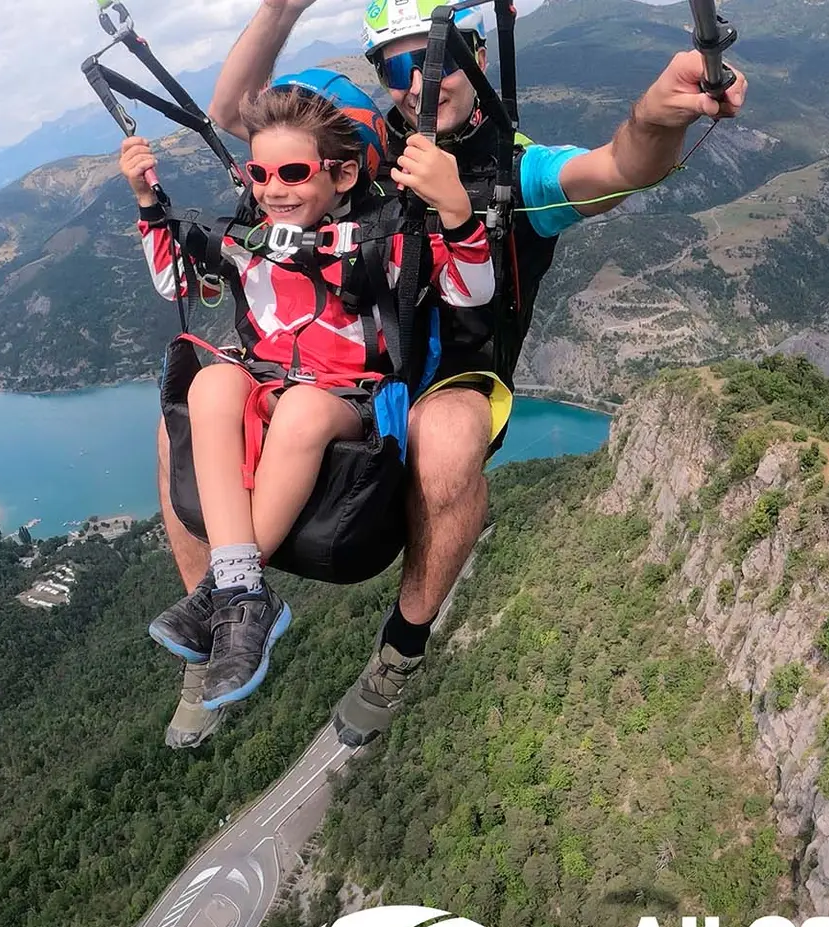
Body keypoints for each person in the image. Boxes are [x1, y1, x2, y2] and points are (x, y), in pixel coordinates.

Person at [154, 0, 750, 749]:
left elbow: (619, 167)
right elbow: (239, 114)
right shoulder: (365, 150)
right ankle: (216, 625)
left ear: (475, 54)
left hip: (457, 372)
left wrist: (662, 117)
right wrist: (282, 8)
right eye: (397, 65)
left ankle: (400, 650)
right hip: (351, 362)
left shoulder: (516, 171)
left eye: (436, 57)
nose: (420, 82)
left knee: (442, 448)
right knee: (183, 418)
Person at [127, 78, 494, 716]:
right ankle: (242, 596)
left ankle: (230, 586)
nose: (275, 188)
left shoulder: (387, 241)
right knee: (210, 380)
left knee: (299, 409)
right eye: (260, 173)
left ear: (343, 175)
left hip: (345, 397)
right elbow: (172, 281)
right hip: (266, 379)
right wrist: (148, 204)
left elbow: (470, 293)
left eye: (294, 172)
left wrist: (457, 214)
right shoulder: (253, 240)